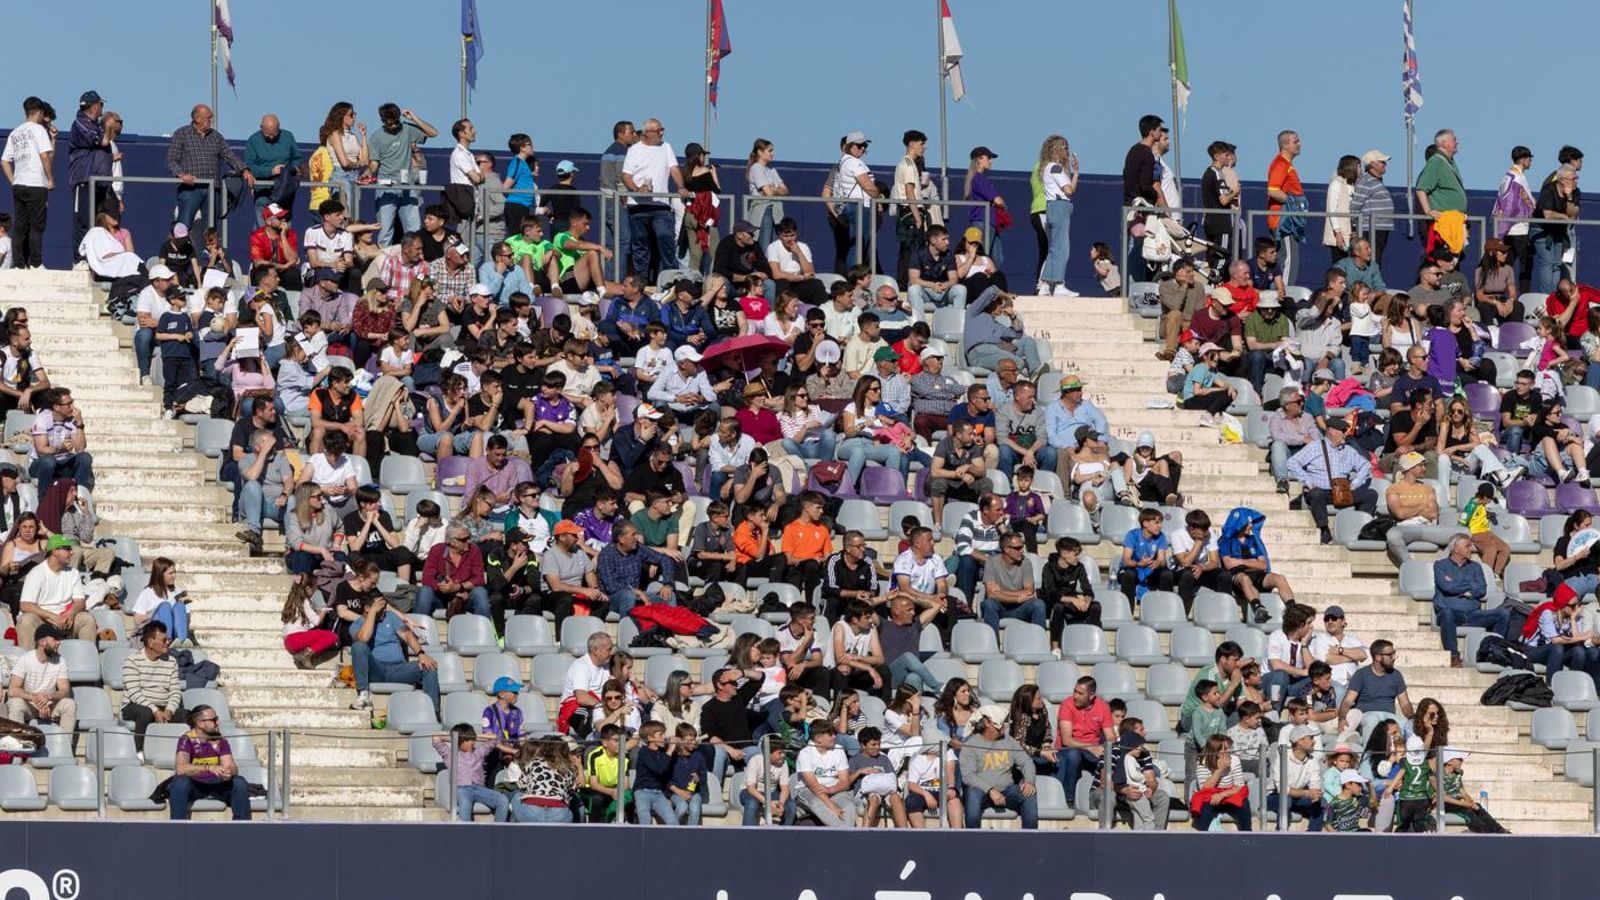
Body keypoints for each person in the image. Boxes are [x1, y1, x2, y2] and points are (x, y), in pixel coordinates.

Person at [1287, 416, 1377, 544]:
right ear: (1331, 431)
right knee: (1316, 494)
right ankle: (1323, 529)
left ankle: (1360, 528)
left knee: (1370, 494)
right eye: (1342, 430)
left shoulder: (1348, 450)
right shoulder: (1314, 447)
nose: (1345, 434)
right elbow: (1292, 462)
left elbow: (1366, 465)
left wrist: (1355, 484)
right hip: (1322, 491)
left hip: (1343, 491)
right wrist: (1308, 482)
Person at [347, 593, 440, 715]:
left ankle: (433, 713)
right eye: (381, 608)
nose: (384, 611)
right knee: (358, 646)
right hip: (376, 670)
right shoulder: (356, 625)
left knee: (429, 666)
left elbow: (407, 635)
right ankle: (363, 695)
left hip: (399, 669)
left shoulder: (390, 617)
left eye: (384, 607)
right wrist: (373, 613)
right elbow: (363, 638)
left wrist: (421, 653)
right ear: (367, 608)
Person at [1432, 534, 1512, 668]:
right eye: (1467, 546)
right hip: (1451, 614)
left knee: (1503, 614)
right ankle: (1453, 656)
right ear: (1456, 549)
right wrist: (1469, 585)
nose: (1471, 549)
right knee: (1447, 613)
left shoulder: (1476, 567)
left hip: (1473, 614)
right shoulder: (1440, 565)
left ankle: (1492, 651)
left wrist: (1457, 585)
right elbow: (1446, 587)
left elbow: (1481, 590)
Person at [961, 704, 1038, 829]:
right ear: (987, 723)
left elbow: (1026, 762)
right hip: (981, 791)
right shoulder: (971, 745)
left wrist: (1029, 781)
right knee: (972, 794)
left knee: (1029, 794)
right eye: (1001, 722)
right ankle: (972, 840)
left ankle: (1030, 839)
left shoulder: (1008, 741)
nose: (1004, 726)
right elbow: (968, 776)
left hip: (1007, 790)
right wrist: (990, 790)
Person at [168, 706, 252, 821]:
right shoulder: (187, 739)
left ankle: (241, 828)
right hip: (195, 785)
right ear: (200, 723)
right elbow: (181, 769)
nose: (217, 723)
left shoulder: (221, 739)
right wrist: (209, 767)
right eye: (213, 720)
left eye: (217, 719)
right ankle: (177, 827)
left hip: (217, 784)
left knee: (239, 782)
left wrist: (228, 772)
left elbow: (231, 766)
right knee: (179, 783)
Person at [2, 97, 55, 270]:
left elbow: (4, 161)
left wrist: (13, 181)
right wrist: (50, 178)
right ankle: (36, 263)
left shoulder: (15, 132)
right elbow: (45, 156)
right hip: (35, 184)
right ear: (39, 113)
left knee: (20, 226)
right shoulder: (38, 130)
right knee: (37, 225)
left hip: (19, 185)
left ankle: (19, 264)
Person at [1338, 639, 1417, 739]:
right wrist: (1342, 719)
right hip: (1367, 715)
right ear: (1378, 657)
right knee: (1372, 720)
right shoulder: (1361, 674)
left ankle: (1406, 754)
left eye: (1394, 654)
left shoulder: (1396, 675)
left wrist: (1412, 719)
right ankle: (1368, 754)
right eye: (1390, 655)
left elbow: (1405, 703)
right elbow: (1347, 701)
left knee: (1406, 725)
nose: (1394, 658)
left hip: (1389, 717)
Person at [980, 534, 1044, 635]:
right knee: (989, 604)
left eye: (1022, 547)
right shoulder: (991, 562)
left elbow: (1029, 592)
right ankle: (993, 645)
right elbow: (991, 595)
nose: (1022, 550)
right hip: (999, 607)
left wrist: (1001, 591)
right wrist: (1017, 598)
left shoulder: (1026, 563)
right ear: (1006, 549)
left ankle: (1039, 642)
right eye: (1017, 548)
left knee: (1039, 604)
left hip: (1020, 608)